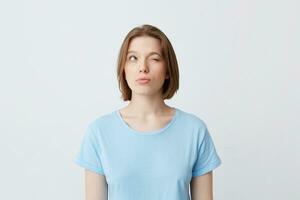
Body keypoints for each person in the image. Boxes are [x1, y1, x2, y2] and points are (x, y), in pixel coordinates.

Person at [74, 24, 222, 200]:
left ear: (168, 70)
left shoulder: (195, 131)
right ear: (124, 68)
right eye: (133, 58)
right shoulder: (99, 132)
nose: (143, 67)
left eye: (154, 58)